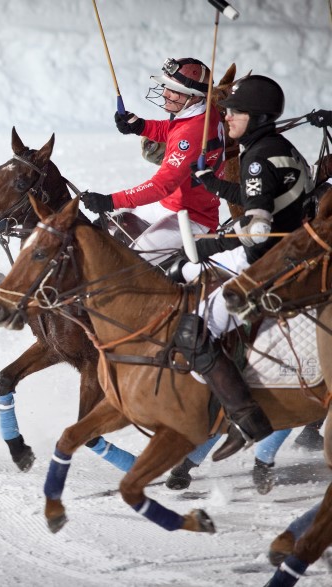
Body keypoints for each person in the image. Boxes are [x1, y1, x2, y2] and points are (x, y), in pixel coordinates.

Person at [171, 74, 314, 461]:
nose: (227, 117)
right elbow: (263, 197)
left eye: (236, 111)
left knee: (195, 330)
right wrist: (214, 184)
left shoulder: (255, 159)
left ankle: (244, 417)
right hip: (286, 250)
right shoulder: (275, 147)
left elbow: (258, 229)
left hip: (267, 261)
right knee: (182, 270)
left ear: (258, 117)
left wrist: (213, 243)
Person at [81, 57, 224, 264]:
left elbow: (160, 186)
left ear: (194, 96)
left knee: (130, 263)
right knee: (107, 227)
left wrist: (110, 200)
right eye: (166, 86)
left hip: (192, 217)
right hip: (171, 204)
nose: (165, 93)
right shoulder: (203, 111)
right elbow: (175, 130)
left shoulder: (192, 133)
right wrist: (141, 126)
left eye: (173, 90)